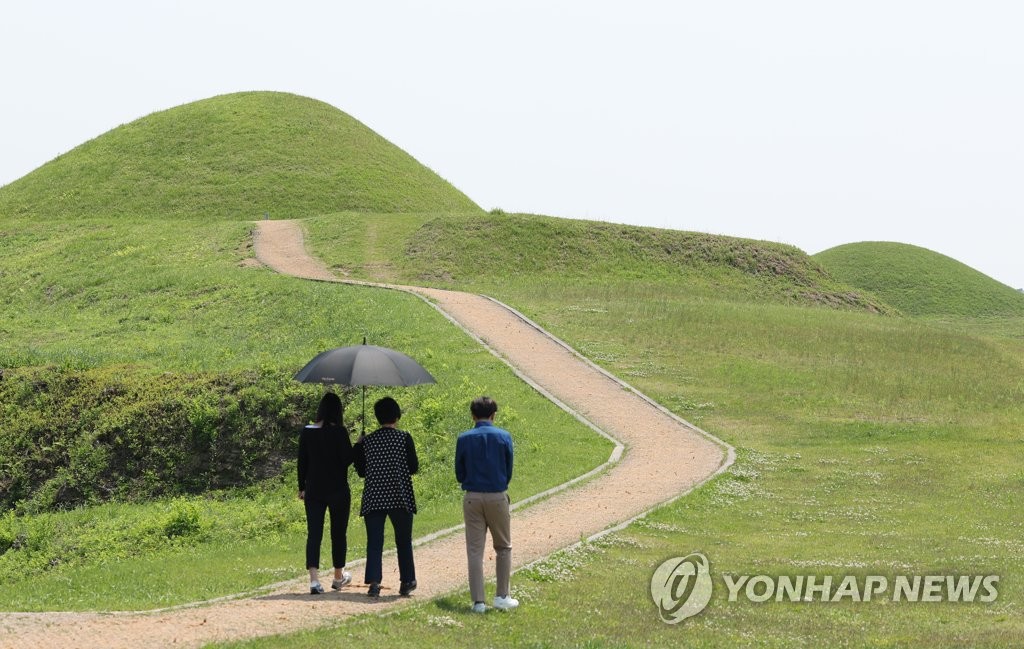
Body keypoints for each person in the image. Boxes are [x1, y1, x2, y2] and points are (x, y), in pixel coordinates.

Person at [455, 396, 518, 613]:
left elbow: (459, 472)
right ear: (494, 415)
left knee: (474, 550)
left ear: (473, 415)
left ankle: (478, 602)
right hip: (497, 496)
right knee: (503, 546)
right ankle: (502, 595)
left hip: (472, 496)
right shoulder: (504, 437)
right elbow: (508, 470)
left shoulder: (464, 439)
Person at [352, 396, 419, 597]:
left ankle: (374, 582)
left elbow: (362, 471)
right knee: (403, 540)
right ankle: (407, 581)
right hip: (400, 496)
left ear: (377, 417)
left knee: (374, 541)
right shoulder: (404, 437)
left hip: (374, 497)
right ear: (397, 416)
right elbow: (413, 467)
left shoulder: (369, 442)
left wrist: (358, 445)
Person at [297, 391, 354, 595]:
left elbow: (302, 461)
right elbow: (347, 459)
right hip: (338, 490)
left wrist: (301, 487)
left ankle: (314, 580)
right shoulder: (340, 432)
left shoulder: (307, 431)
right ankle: (338, 577)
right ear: (338, 411)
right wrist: (359, 444)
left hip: (313, 489)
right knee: (338, 533)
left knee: (314, 534)